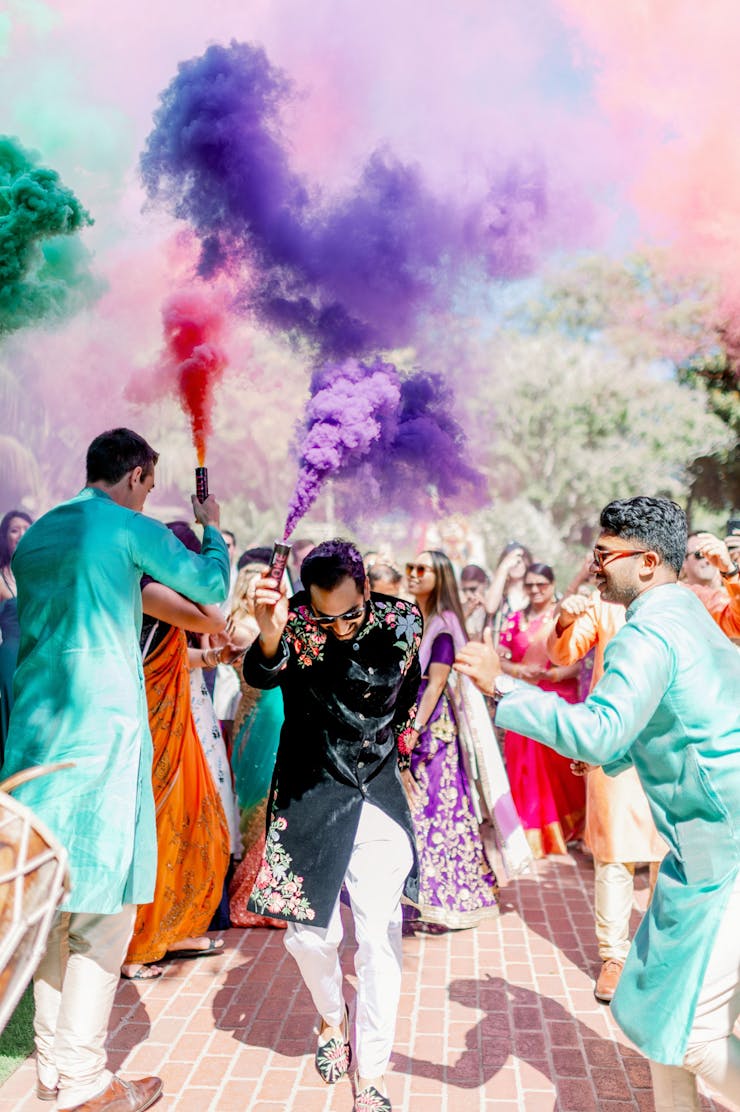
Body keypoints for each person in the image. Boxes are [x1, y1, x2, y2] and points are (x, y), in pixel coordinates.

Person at [455, 496, 740, 1112]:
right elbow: (684, 717)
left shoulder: (649, 630)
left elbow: (603, 728)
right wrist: (615, 755)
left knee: (690, 1039)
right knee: (662, 1026)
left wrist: (499, 683)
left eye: (604, 554)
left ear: (647, 562)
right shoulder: (686, 614)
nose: (594, 565)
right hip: (703, 850)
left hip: (726, 851)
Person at [0, 428, 230, 1112]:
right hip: (102, 742)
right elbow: (212, 588)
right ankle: (85, 1080)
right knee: (104, 914)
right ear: (134, 476)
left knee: (51, 911)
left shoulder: (39, 534)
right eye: (149, 484)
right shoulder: (125, 527)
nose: (147, 495)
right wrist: (212, 530)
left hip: (36, 741)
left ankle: (53, 1069)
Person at [243, 540, 422, 1112]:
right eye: (327, 617)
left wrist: (405, 747)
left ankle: (371, 1072)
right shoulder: (292, 620)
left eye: (350, 612)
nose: (340, 628)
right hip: (309, 790)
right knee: (311, 939)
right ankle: (330, 1017)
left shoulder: (404, 621)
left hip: (378, 793)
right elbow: (262, 673)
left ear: (367, 587)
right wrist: (271, 631)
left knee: (378, 936)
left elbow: (410, 690)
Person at [547, 586, 666, 1003]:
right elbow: (564, 655)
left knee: (668, 856)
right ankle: (614, 956)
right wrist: (564, 617)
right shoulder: (604, 604)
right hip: (615, 741)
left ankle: (658, 954)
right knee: (614, 854)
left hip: (671, 745)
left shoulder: (683, 599)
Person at [121, 553, 233, 980]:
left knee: (189, 823)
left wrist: (209, 660)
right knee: (156, 825)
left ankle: (170, 928)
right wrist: (212, 539)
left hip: (170, 719)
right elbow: (213, 615)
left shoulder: (152, 592)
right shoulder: (145, 589)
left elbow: (168, 653)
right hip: (150, 724)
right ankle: (134, 944)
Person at [404, 551, 499, 929]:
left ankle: (442, 900)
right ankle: (418, 898)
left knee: (435, 809)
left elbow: (437, 682)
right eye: (410, 567)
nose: (412, 573)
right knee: (417, 811)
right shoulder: (419, 619)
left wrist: (413, 731)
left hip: (432, 727)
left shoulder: (442, 625)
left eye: (421, 569)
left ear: (439, 577)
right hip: (416, 718)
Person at [498, 563, 585, 857]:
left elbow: (578, 662)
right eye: (530, 585)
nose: (535, 590)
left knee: (558, 766)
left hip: (555, 698)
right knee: (522, 762)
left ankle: (567, 828)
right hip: (522, 696)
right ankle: (530, 830)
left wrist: (554, 676)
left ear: (552, 584)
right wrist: (521, 670)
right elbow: (501, 660)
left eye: (542, 585)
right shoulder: (513, 620)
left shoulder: (563, 617)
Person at [226, 563, 286, 929]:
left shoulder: (267, 625)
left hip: (274, 710)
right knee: (257, 802)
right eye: (254, 588)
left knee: (274, 801)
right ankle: (252, 896)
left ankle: (272, 893)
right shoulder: (243, 627)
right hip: (257, 715)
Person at [0, 509, 32, 763]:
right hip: (10, 656)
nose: (21, 534)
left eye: (26, 528)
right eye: (14, 530)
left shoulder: (41, 573)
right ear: (4, 537)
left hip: (39, 655)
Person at [681, 531, 740, 638]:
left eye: (714, 552)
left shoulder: (731, 586)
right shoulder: (678, 593)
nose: (708, 559)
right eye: (700, 554)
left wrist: (731, 570)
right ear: (683, 562)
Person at [485, 541, 532, 646]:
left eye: (519, 560)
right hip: (500, 652)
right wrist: (504, 568)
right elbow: (490, 608)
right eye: (511, 560)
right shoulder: (500, 595)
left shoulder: (534, 594)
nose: (515, 564)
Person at [459, 564, 491, 641]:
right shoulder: (462, 605)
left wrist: (488, 611)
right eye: (464, 590)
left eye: (473, 589)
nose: (468, 595)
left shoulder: (494, 602)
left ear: (485, 583)